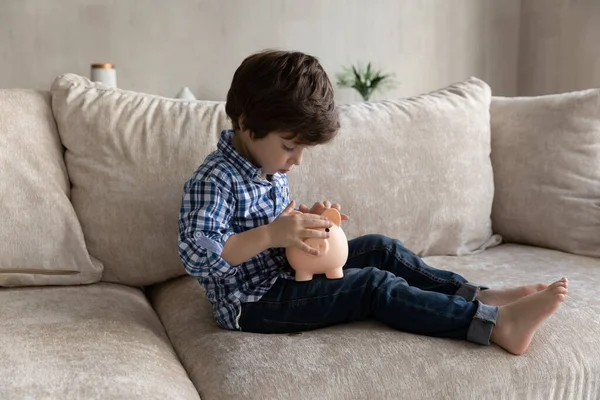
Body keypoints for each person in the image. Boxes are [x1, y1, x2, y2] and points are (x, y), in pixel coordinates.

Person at [178, 49, 568, 355]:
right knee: (373, 286)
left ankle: (474, 295)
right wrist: (271, 234)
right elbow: (200, 254)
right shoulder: (213, 180)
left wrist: (304, 221)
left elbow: (276, 225)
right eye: (290, 147)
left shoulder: (268, 166)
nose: (297, 160)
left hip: (288, 270)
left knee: (381, 248)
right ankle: (495, 325)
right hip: (256, 301)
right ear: (246, 125)